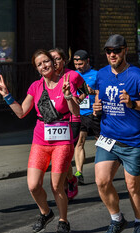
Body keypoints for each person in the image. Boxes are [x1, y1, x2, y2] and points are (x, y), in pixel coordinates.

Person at [0, 49, 80, 233]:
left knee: (56, 185)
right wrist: (6, 95)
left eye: (46, 62)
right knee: (33, 185)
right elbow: (21, 112)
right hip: (40, 140)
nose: (44, 66)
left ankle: (63, 221)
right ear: (36, 68)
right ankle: (46, 213)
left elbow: (75, 112)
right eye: (39, 64)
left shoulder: (65, 83)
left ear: (53, 62)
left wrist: (68, 96)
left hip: (62, 142)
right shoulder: (35, 86)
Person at [93, 34, 140, 233]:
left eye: (116, 50)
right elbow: (98, 95)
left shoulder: (136, 75)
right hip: (109, 138)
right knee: (102, 181)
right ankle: (117, 219)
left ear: (125, 51)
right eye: (108, 51)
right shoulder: (102, 74)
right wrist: (97, 107)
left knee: (133, 187)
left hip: (134, 141)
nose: (112, 54)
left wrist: (133, 104)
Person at [49, 48, 85, 199]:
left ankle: (64, 186)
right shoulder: (47, 78)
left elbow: (86, 91)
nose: (55, 62)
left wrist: (77, 100)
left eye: (57, 59)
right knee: (58, 157)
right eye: (51, 59)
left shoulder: (73, 75)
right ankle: (70, 179)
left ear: (64, 60)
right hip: (52, 123)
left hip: (71, 120)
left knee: (63, 157)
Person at [73, 50, 99, 185]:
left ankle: (103, 169)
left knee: (100, 143)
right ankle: (79, 172)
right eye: (76, 64)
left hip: (94, 114)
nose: (78, 66)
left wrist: (93, 92)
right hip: (80, 114)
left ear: (87, 61)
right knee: (79, 142)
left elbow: (104, 92)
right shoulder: (72, 75)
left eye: (80, 63)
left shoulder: (96, 75)